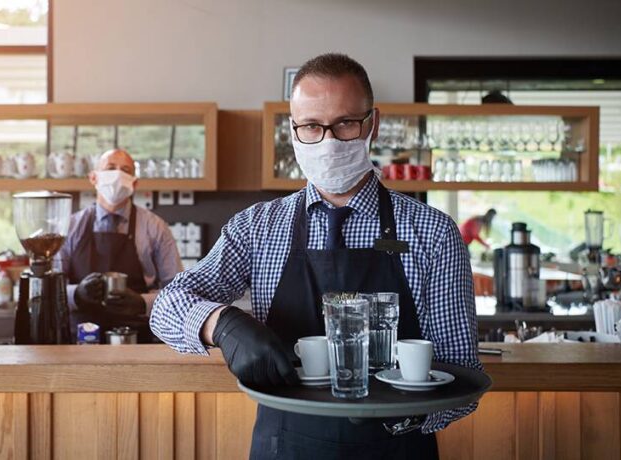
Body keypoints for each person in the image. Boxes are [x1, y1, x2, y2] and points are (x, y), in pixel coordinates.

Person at [151, 53, 481, 459]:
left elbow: (463, 373)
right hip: (284, 445)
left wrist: (400, 418)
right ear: (292, 130)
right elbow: (166, 305)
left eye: (344, 123)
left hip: (398, 447)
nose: (327, 140)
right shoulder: (257, 228)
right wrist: (220, 324)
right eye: (310, 126)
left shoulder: (433, 233)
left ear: (372, 124)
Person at [58, 148, 182, 340]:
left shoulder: (156, 228)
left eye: (125, 170)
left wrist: (142, 302)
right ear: (93, 178)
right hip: (79, 341)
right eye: (110, 168)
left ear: (134, 182)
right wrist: (77, 294)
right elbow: (49, 290)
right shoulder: (69, 227)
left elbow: (179, 292)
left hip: (139, 340)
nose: (117, 175)